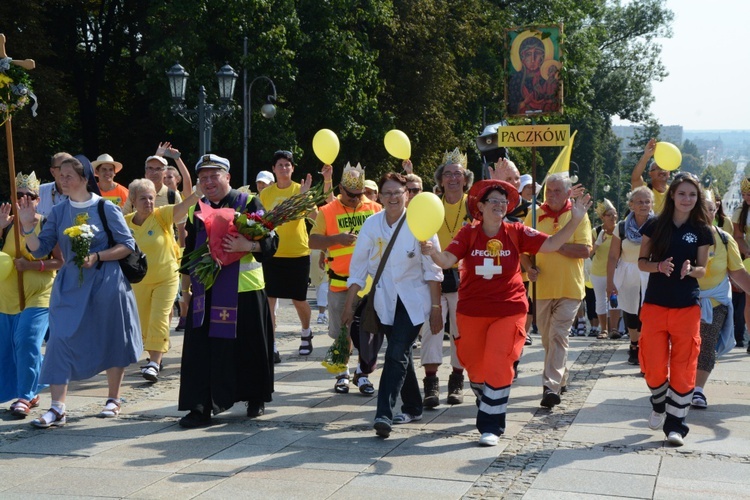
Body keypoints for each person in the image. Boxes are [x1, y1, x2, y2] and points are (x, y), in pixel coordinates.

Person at [422, 179, 591, 445]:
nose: (500, 206)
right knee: (476, 368)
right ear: (480, 206)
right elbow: (446, 261)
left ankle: (491, 425)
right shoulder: (468, 233)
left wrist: (575, 220)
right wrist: (432, 251)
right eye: (494, 201)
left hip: (509, 308)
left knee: (499, 362)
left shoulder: (517, 231)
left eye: (504, 202)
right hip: (472, 311)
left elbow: (552, 244)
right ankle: (487, 396)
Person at [19, 156, 143, 427]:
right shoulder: (59, 212)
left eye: (68, 175)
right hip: (70, 286)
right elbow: (40, 248)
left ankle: (113, 398)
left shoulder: (105, 208)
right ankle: (57, 408)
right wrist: (28, 226)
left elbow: (127, 245)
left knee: (112, 337)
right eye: (59, 175)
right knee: (59, 339)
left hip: (106, 283)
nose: (62, 180)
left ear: (85, 178)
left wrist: (97, 256)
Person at [178, 154, 277, 428]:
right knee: (203, 351)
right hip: (206, 291)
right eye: (203, 178)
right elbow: (189, 252)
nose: (208, 182)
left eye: (214, 176)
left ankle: (254, 396)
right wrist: (184, 293)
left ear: (228, 177)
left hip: (244, 290)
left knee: (248, 349)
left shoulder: (248, 203)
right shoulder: (197, 208)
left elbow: (271, 241)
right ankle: (200, 405)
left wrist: (248, 246)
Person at [342, 172, 443, 439]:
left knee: (396, 353)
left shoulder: (420, 224)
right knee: (402, 354)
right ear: (380, 197)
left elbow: (433, 271)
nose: (392, 198)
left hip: (413, 300)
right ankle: (412, 406)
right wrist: (349, 304)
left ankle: (383, 414)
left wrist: (436, 309)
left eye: (397, 193)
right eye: (386, 193)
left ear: (407, 195)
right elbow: (358, 266)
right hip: (384, 300)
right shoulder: (372, 225)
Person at [637, 173, 713, 447]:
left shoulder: (702, 229)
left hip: (687, 306)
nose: (687, 199)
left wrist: (691, 270)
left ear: (698, 198)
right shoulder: (655, 225)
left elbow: (703, 268)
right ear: (672, 195)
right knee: (654, 365)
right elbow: (641, 262)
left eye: (692, 195)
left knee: (683, 365)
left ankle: (676, 425)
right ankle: (659, 402)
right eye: (682, 193)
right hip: (656, 304)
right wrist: (658, 266)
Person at [309, 163, 382, 395]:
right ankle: (342, 374)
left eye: (359, 195)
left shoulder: (374, 208)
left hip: (368, 285)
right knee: (342, 331)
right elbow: (313, 242)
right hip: (340, 283)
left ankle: (362, 375)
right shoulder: (328, 211)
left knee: (366, 331)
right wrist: (335, 240)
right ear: (340, 188)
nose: (355, 199)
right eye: (350, 195)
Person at [523, 173, 592, 408]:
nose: (551, 195)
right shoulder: (533, 214)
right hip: (541, 288)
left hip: (569, 287)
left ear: (567, 193)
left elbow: (585, 250)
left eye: (557, 191)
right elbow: (522, 248)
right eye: (548, 191)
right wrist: (528, 267)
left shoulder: (578, 214)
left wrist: (553, 244)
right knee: (547, 339)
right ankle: (560, 375)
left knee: (558, 335)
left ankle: (550, 387)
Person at [125, 178, 202, 382]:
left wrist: (197, 194)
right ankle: (152, 357)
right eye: (143, 198)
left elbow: (183, 207)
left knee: (159, 318)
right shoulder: (125, 222)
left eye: (151, 198)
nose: (148, 202)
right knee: (143, 322)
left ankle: (154, 363)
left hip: (166, 278)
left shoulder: (162, 215)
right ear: (133, 199)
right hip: (139, 281)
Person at [0, 172, 63, 417]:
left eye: (30, 196)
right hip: (7, 296)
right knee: (8, 347)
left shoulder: (46, 223)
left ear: (38, 200)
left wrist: (31, 265)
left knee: (27, 340)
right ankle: (32, 389)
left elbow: (60, 261)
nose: (25, 199)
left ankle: (24, 396)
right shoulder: (6, 224)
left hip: (39, 295)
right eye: (20, 195)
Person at [416, 149, 474, 407]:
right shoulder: (431, 205)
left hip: (466, 277)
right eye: (447, 174)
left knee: (461, 331)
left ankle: (457, 381)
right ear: (440, 180)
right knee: (432, 328)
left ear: (465, 179)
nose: (452, 179)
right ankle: (430, 383)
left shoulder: (474, 206)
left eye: (457, 174)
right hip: (434, 277)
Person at [694, 190, 750, 409]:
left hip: (715, 302)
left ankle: (698, 389)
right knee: (685, 347)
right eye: (701, 208)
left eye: (710, 208)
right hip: (684, 302)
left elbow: (738, 274)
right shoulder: (682, 236)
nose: (706, 213)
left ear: (715, 210)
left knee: (707, 344)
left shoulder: (725, 240)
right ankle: (681, 384)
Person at [259, 150, 314, 357]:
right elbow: (260, 222)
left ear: (292, 168)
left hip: (298, 252)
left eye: (287, 165)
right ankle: (271, 345)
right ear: (273, 169)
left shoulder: (301, 190)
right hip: (272, 254)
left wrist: (304, 200)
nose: (284, 168)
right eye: (280, 165)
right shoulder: (266, 194)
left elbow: (315, 217)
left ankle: (306, 332)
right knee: (269, 300)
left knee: (298, 299)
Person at [607, 187, 655, 364]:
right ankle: (634, 342)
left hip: (651, 273)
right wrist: (610, 282)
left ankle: (645, 345)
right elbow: (613, 256)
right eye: (639, 202)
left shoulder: (658, 225)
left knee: (648, 311)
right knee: (630, 310)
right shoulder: (621, 227)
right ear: (631, 205)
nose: (643, 205)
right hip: (628, 273)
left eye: (647, 201)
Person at [590, 199, 621, 340]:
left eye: (614, 214)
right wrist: (597, 243)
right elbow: (589, 253)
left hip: (616, 272)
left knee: (615, 299)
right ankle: (603, 329)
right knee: (600, 300)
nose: (613, 217)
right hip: (598, 272)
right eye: (609, 215)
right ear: (602, 217)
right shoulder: (596, 231)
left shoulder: (620, 230)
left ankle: (614, 329)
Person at [508, 35, 560, 115]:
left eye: (537, 53)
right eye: (528, 54)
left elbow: (554, 102)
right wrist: (524, 103)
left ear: (543, 57)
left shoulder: (547, 78)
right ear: (522, 57)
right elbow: (511, 107)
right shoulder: (515, 79)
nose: (533, 59)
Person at [732, 177, 750, 350]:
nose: (747, 198)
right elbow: (738, 237)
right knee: (749, 300)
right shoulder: (741, 211)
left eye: (749, 194)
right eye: (744, 194)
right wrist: (747, 251)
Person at [631, 138, 669, 214]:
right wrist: (646, 156)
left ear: (669, 173)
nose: (662, 171)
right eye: (658, 168)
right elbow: (635, 178)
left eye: (664, 168)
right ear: (650, 173)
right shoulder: (644, 189)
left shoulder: (673, 192)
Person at [37, 152, 73, 217]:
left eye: (71, 167)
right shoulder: (39, 192)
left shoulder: (80, 194)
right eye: (62, 167)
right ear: (52, 172)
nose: (67, 171)